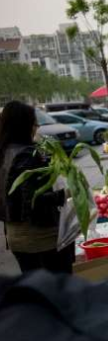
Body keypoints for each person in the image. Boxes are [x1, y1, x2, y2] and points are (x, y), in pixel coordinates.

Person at [0, 101, 73, 274]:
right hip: (40, 238)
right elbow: (34, 200)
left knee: (37, 290)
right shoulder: (27, 154)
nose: (37, 127)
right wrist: (65, 194)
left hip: (14, 235)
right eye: (34, 123)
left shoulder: (3, 152)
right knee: (58, 289)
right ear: (24, 125)